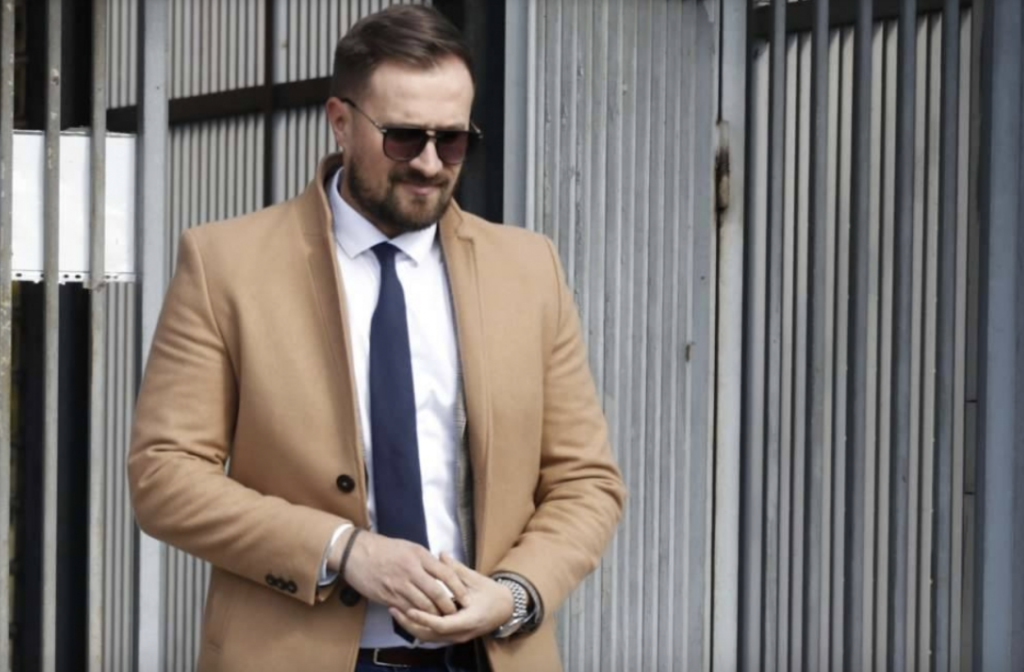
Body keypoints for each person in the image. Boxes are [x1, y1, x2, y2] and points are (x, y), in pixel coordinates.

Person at [128, 6, 625, 672]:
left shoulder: (529, 268)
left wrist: (513, 594)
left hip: (486, 654)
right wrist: (342, 548)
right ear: (340, 121)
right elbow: (164, 475)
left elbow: (585, 480)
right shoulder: (226, 265)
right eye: (403, 137)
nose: (429, 163)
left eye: (453, 140)